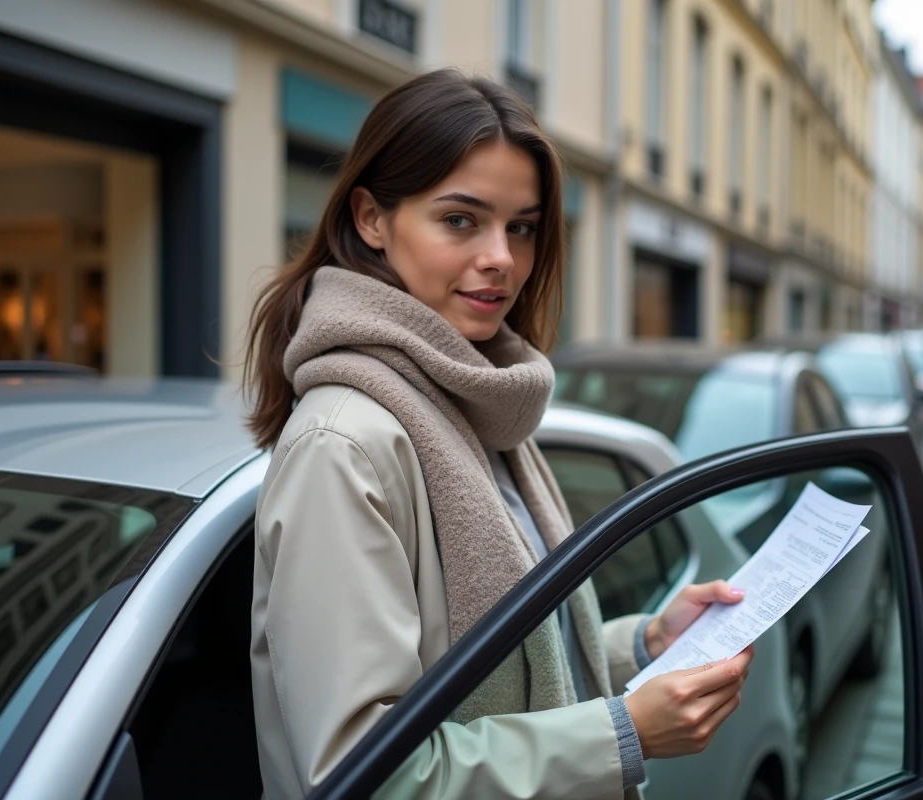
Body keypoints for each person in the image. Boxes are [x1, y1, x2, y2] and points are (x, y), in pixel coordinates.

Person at [243, 69, 754, 800]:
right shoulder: (345, 444)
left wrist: (642, 646)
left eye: (521, 226)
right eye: (461, 220)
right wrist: (623, 735)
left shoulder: (481, 405)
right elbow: (364, 773)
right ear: (371, 218)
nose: (503, 259)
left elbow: (506, 669)